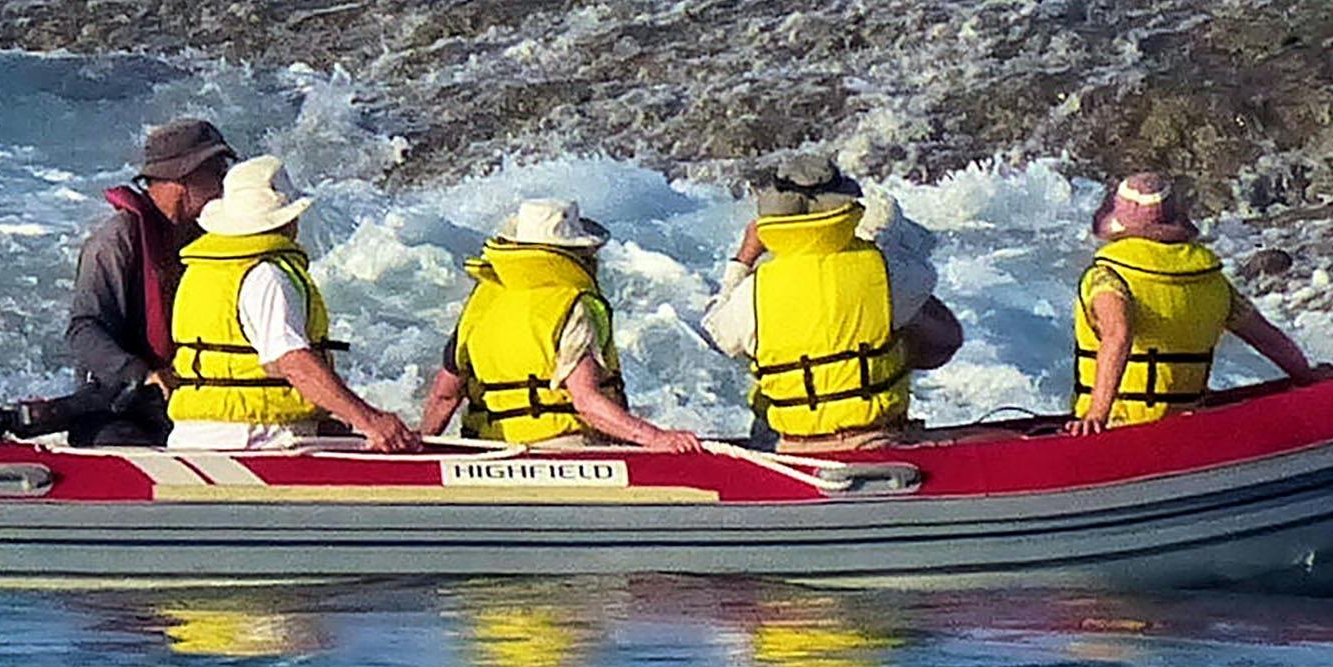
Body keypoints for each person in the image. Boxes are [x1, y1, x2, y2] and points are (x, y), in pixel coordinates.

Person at [696, 151, 964, 446]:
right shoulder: (885, 272)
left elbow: (716, 330)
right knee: (906, 324)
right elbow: (946, 338)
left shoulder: (754, 291)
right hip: (877, 439)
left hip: (795, 448)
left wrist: (744, 258)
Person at [161, 158, 412, 446]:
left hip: (192, 435)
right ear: (288, 219)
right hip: (257, 439)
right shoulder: (266, 274)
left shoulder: (201, 270)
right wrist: (370, 421)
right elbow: (292, 362)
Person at [405, 199, 689, 452]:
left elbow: (445, 395)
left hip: (488, 447)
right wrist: (655, 438)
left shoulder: (484, 298)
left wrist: (420, 448)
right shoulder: (571, 305)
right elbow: (586, 403)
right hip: (561, 448)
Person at [16, 116, 233, 435]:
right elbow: (84, 329)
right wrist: (141, 374)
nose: (223, 184)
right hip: (119, 405)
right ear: (182, 178)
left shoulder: (204, 237)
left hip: (187, 400)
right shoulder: (117, 240)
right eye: (216, 172)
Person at [1070, 173, 1313, 422]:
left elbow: (1118, 335)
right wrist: (1307, 378)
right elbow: (1267, 339)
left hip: (1119, 424)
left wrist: (1097, 415)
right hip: (1186, 421)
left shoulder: (1107, 277)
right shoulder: (1211, 279)